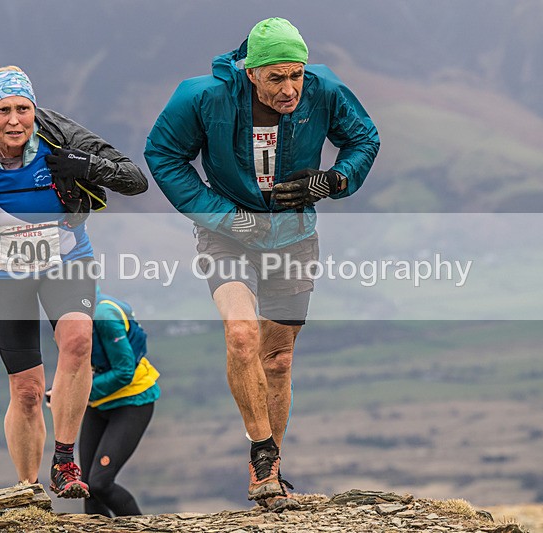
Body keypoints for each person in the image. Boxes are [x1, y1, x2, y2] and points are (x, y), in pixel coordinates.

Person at [144, 18, 379, 511]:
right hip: (227, 232)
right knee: (241, 334)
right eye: (276, 78)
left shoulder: (325, 88)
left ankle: (267, 475)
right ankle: (262, 449)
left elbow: (364, 139)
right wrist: (222, 215)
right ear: (250, 72)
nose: (290, 88)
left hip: (294, 236)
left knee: (278, 359)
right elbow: (163, 154)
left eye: (296, 75)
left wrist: (333, 180)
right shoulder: (201, 96)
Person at [0, 66, 147, 498]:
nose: (15, 120)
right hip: (2, 274)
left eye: (23, 109)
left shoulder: (60, 134)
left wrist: (87, 164)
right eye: (3, 111)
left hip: (67, 260)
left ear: (34, 109)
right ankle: (26, 491)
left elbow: (135, 181)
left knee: (78, 342)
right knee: (26, 391)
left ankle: (64, 462)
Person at [48, 287, 160, 516]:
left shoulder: (104, 315)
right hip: (97, 404)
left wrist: (75, 394)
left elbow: (124, 371)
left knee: (100, 483)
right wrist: (64, 391)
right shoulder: (68, 312)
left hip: (132, 401)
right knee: (87, 489)